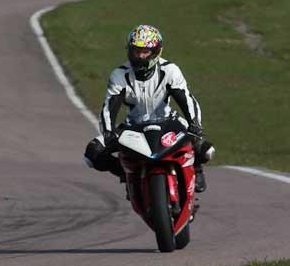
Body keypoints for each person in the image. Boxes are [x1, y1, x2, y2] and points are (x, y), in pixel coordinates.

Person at [84, 25, 215, 192]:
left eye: (145, 52)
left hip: (169, 122)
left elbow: (187, 99)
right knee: (93, 153)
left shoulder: (170, 71)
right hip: (133, 126)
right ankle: (127, 174)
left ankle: (196, 168)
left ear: (156, 52)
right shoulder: (119, 75)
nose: (139, 56)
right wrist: (108, 133)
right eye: (136, 51)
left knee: (206, 150)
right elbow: (109, 107)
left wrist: (195, 124)